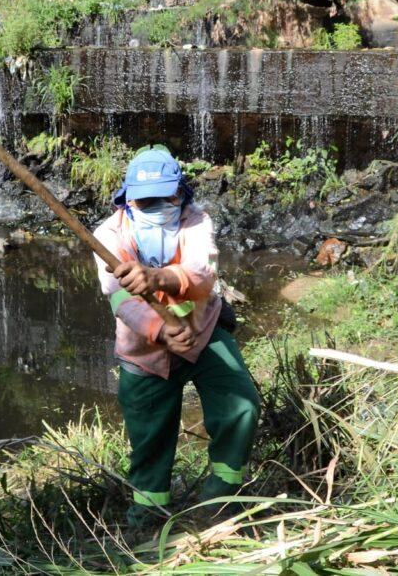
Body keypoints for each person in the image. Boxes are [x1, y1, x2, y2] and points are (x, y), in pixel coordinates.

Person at [93, 146, 260, 528]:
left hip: (203, 334)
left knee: (242, 405)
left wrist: (158, 278)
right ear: (128, 199)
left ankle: (223, 497)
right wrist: (158, 330)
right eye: (145, 200)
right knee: (149, 439)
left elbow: (202, 273)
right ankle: (147, 518)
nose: (155, 206)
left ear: (180, 195)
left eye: (164, 198)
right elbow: (118, 298)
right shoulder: (108, 236)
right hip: (144, 352)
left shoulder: (195, 221)